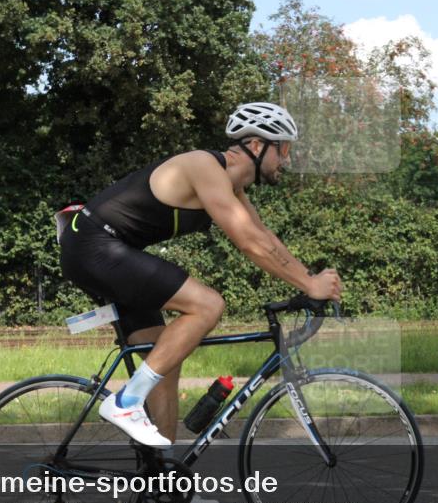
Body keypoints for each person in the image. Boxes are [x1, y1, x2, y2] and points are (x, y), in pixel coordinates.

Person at [59, 102, 342, 448]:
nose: (285, 160)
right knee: (208, 305)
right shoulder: (204, 167)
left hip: (108, 251)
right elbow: (248, 242)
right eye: (283, 149)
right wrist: (310, 285)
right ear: (256, 145)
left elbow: (264, 237)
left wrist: (309, 280)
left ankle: (164, 491)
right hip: (94, 245)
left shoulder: (232, 188)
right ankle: (124, 402)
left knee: (164, 362)